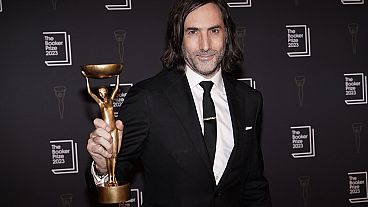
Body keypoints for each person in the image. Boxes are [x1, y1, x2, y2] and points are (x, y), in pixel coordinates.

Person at [86, 0, 272, 206]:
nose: (205, 45)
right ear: (178, 38)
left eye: (214, 31)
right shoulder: (148, 97)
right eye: (193, 32)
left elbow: (254, 185)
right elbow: (116, 174)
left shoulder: (249, 100)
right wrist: (103, 167)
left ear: (227, 34)